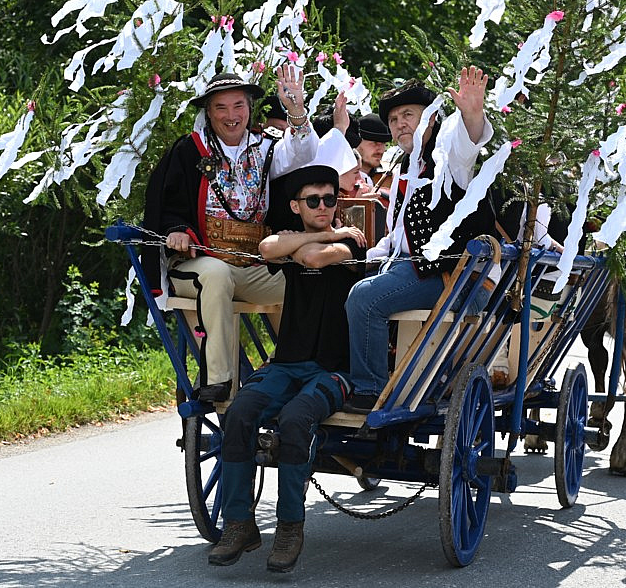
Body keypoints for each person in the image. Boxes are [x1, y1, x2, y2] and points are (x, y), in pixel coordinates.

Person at [208, 163, 367, 573]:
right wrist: (321, 234)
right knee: (239, 413)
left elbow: (310, 258)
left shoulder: (353, 244)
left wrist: (314, 240)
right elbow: (266, 248)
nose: (323, 206)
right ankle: (239, 524)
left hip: (334, 369)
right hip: (288, 363)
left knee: (296, 419)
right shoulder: (327, 236)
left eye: (329, 199)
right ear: (296, 206)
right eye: (313, 200)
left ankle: (289, 527)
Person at [143, 66, 318, 402]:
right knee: (217, 274)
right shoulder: (191, 151)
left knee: (305, 280)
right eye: (221, 108)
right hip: (200, 262)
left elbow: (304, 152)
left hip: (253, 263)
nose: (231, 115)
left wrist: (296, 109)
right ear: (209, 114)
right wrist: (177, 231)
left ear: (249, 109)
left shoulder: (266, 148)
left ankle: (297, 368)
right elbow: (167, 204)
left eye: (239, 105)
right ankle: (218, 380)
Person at [343, 67, 495, 413]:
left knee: (365, 298)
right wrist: (359, 259)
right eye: (394, 119)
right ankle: (338, 377)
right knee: (339, 280)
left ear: (431, 118)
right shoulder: (404, 167)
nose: (400, 124)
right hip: (413, 269)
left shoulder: (448, 155)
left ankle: (371, 392)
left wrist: (473, 114)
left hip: (454, 278)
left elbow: (469, 144)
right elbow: (396, 237)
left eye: (408, 115)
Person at [355, 112, 391, 195]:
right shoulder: (341, 177)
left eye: (383, 143)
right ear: (357, 142)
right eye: (374, 142)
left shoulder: (389, 177)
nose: (381, 149)